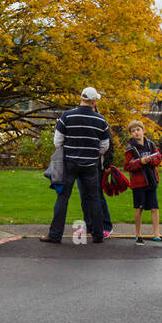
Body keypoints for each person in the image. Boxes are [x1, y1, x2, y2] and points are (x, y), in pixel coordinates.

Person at [42, 87, 110, 244]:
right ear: (93, 101)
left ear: (81, 98)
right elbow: (105, 145)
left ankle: (55, 234)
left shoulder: (67, 116)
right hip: (91, 165)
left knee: (63, 198)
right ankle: (98, 234)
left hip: (70, 163)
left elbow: (57, 142)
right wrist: (94, 153)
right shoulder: (100, 120)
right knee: (94, 199)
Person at [124, 121, 162, 244]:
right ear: (131, 134)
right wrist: (140, 162)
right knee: (139, 208)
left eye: (138, 129)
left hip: (151, 181)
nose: (136, 132)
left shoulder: (150, 144)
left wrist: (150, 160)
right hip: (138, 183)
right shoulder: (130, 149)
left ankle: (157, 234)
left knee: (154, 207)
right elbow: (128, 166)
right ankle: (138, 235)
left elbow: (158, 157)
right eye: (133, 131)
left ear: (143, 131)